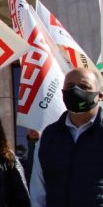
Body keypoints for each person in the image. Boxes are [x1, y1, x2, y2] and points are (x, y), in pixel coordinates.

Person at [30, 67, 103, 206]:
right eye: (70, 86)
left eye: (83, 86)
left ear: (99, 95)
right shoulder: (49, 136)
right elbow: (38, 191)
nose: (75, 91)